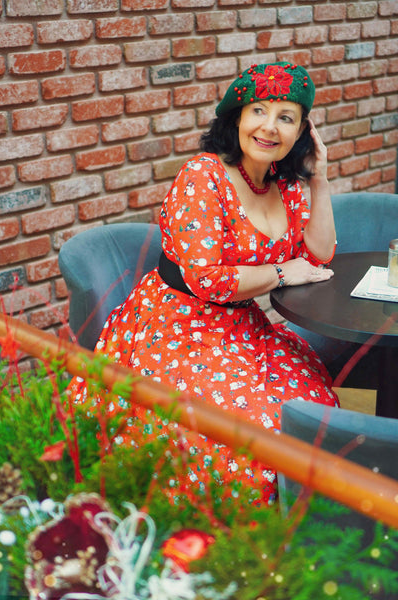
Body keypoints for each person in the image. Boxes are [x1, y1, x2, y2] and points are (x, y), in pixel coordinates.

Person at [68, 62, 339, 505]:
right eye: (259, 111)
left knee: (313, 411)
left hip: (240, 327)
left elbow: (317, 254)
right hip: (175, 328)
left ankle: (297, 522)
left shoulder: (283, 184)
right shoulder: (203, 176)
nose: (269, 127)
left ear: (301, 133)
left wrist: (320, 179)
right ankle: (241, 539)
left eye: (286, 117)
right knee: (250, 441)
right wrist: (280, 272)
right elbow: (206, 279)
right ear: (236, 118)